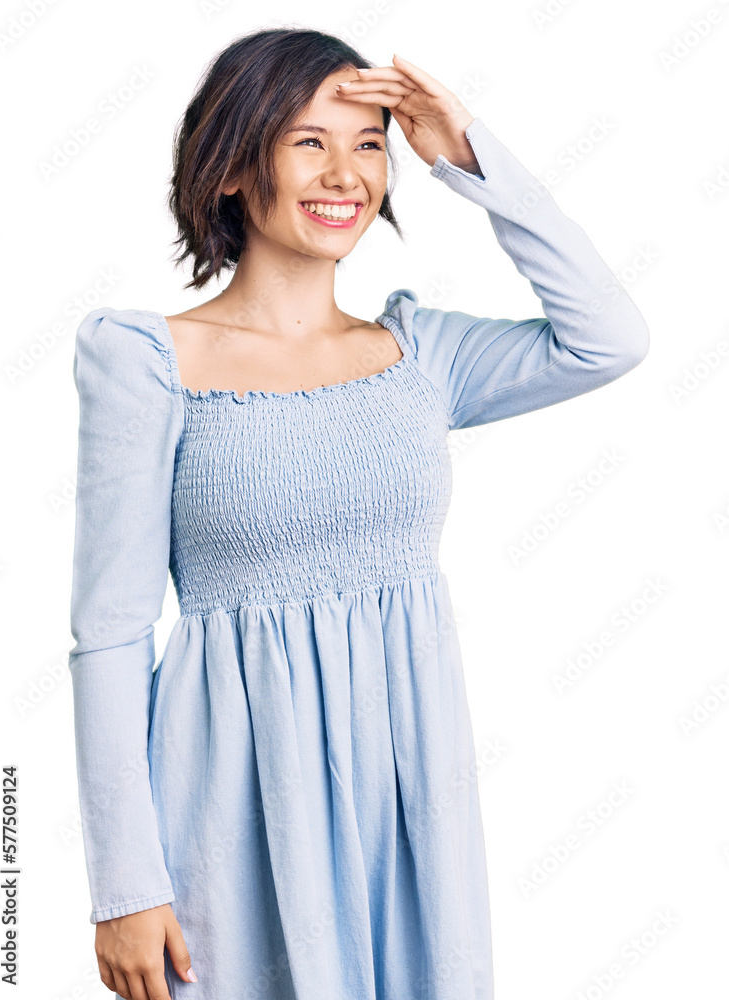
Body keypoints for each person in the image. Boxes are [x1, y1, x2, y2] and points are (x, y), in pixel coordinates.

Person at [67, 27, 649, 1000]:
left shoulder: (422, 355)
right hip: (230, 810)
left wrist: (468, 153)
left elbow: (610, 338)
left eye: (369, 143)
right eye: (308, 141)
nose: (345, 173)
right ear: (230, 167)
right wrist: (124, 885)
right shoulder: (147, 361)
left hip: (411, 811)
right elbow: (110, 635)